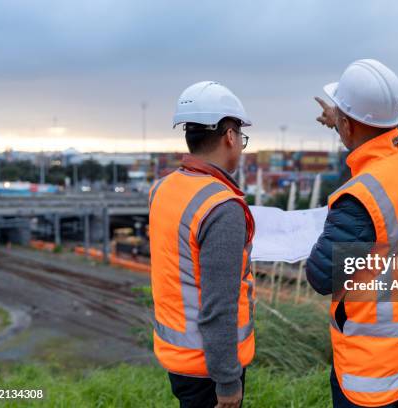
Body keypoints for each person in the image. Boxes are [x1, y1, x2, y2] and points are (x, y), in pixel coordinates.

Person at [306, 59, 398, 408]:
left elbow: (322, 277)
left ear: (349, 126)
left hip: (372, 374)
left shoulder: (362, 196)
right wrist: (342, 121)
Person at [149, 81, 255, 408]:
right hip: (209, 367)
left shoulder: (162, 189)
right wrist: (227, 381)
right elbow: (218, 305)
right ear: (229, 136)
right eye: (242, 137)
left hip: (179, 357)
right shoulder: (221, 207)